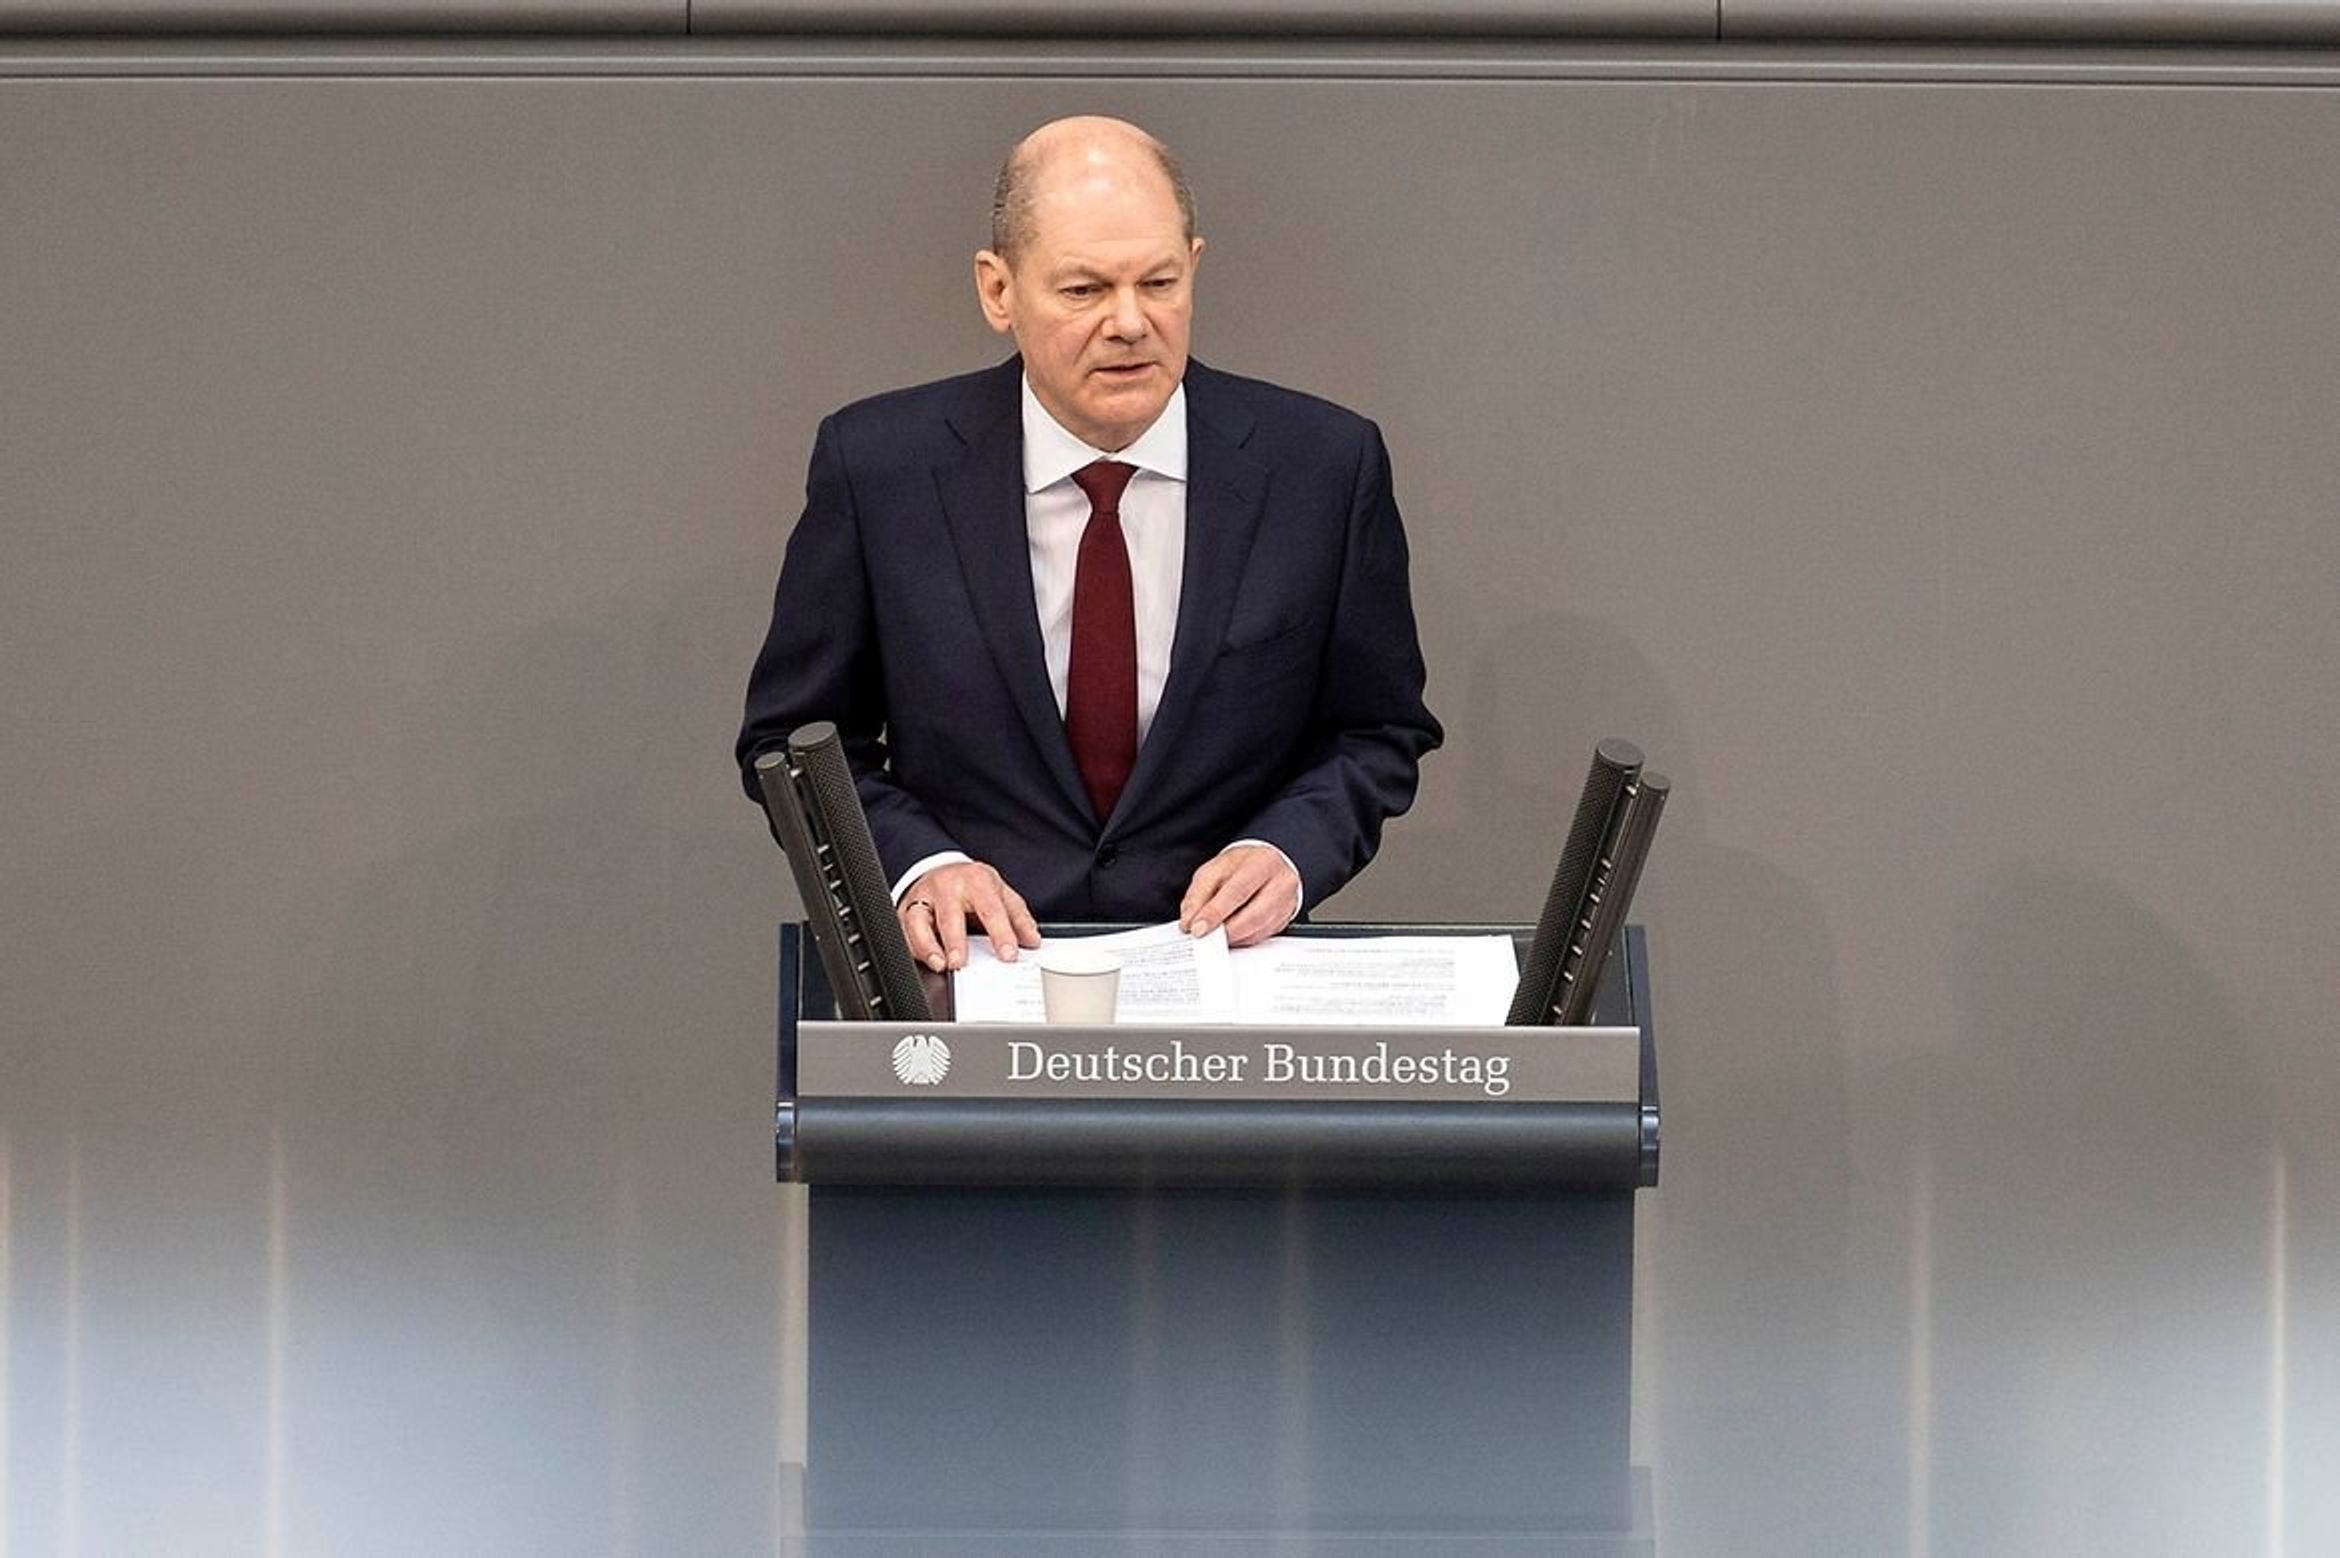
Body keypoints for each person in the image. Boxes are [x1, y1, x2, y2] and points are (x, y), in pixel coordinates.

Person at [736, 115, 1439, 974]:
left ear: (1196, 268)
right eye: (1083, 291)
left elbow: (1377, 730)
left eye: (1160, 282)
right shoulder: (881, 468)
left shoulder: (1323, 468)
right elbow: (795, 743)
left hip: (1219, 989)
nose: (1130, 322)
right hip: (973, 981)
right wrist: (922, 866)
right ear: (998, 292)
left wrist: (1290, 854)